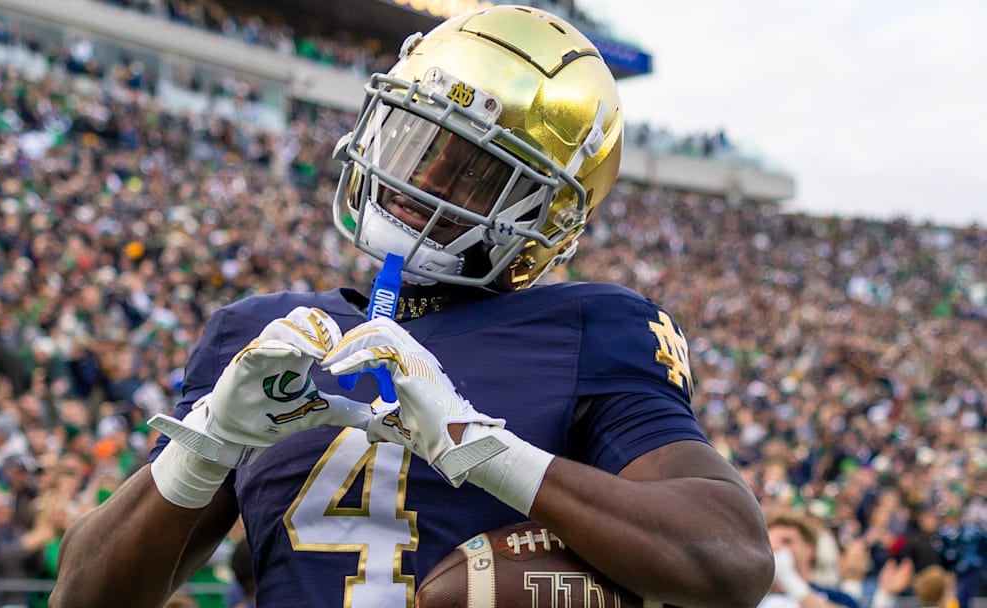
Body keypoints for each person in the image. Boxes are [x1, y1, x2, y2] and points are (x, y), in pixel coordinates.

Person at [51, 6, 773, 607]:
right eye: (414, 137)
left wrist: (481, 447)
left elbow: (730, 558)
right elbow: (84, 597)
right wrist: (204, 444)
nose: (421, 177)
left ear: (544, 213)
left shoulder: (590, 327)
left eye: (472, 170)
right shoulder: (256, 334)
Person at [761, 510, 861, 608]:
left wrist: (790, 580)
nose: (775, 547)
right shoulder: (754, 599)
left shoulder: (838, 598)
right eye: (770, 542)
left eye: (787, 541)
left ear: (810, 549)